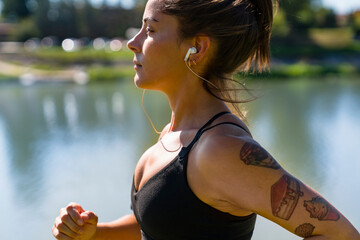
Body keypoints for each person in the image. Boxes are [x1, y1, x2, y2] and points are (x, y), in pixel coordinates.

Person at [52, 0, 360, 239]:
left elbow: (339, 234)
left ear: (196, 47)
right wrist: (93, 234)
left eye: (151, 29)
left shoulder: (220, 150)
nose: (134, 42)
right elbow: (156, 225)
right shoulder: (174, 139)